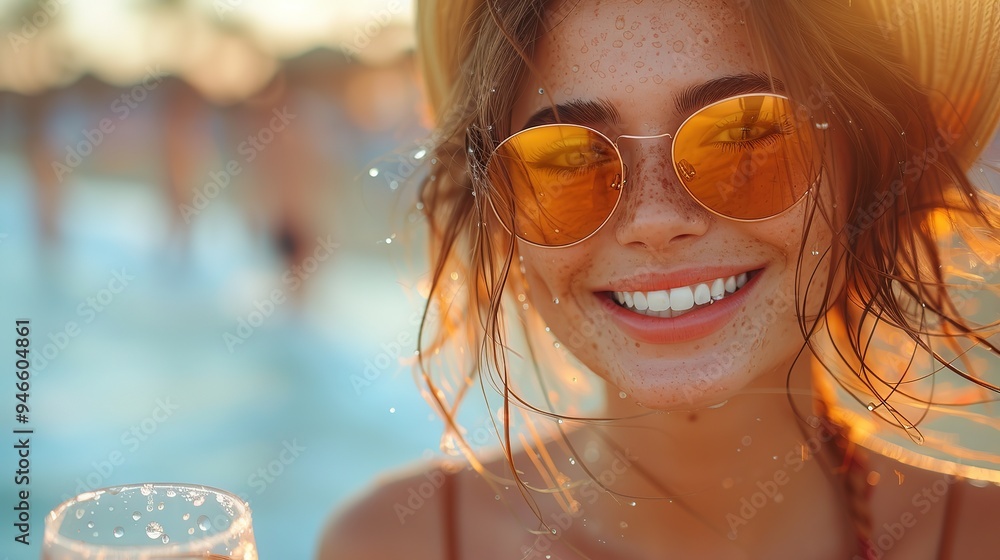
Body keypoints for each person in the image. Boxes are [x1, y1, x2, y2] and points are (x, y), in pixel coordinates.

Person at [319, 0, 1000, 557]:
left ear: (869, 165)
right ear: (502, 219)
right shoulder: (387, 544)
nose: (655, 219)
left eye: (745, 135)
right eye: (565, 160)